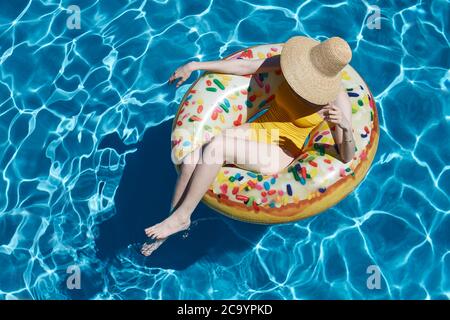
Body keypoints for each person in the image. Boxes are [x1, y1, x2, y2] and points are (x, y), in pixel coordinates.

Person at [141, 36, 356, 256]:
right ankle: (170, 226)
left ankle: (182, 217)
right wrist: (194, 66)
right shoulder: (294, 65)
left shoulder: (336, 99)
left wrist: (345, 127)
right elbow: (244, 66)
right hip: (257, 130)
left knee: (218, 146)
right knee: (189, 161)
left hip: (280, 151)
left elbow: (347, 155)